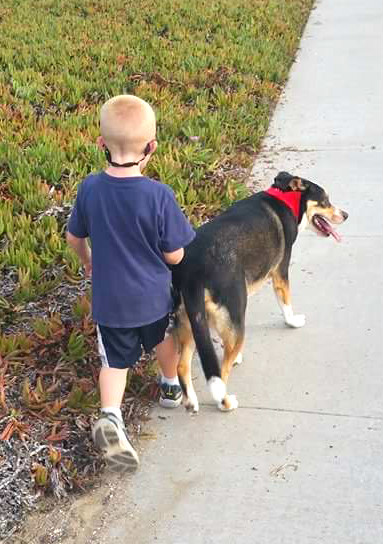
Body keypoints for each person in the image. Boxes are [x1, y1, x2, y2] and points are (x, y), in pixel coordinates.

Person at [66, 94, 195, 472]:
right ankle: (171, 386)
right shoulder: (158, 195)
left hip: (111, 303)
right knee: (163, 339)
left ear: (101, 144)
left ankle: (111, 415)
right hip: (153, 298)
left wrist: (89, 262)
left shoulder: (89, 188)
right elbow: (175, 255)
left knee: (115, 362)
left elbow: (75, 238)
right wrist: (178, 258)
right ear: (152, 147)